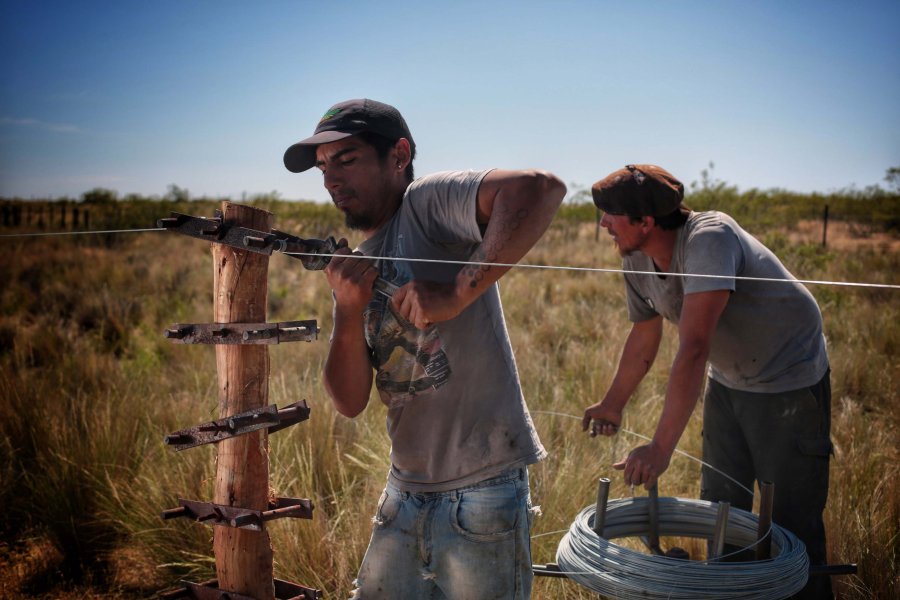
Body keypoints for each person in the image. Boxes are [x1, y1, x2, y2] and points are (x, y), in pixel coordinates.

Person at [284, 98, 566, 599]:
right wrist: (347, 309)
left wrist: (459, 293)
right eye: (323, 167)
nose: (330, 179)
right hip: (404, 490)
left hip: (483, 486)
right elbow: (349, 403)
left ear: (399, 154)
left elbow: (539, 188)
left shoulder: (426, 203)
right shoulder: (360, 261)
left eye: (346, 159)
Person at [581, 164, 833, 599]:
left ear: (646, 221)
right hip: (729, 379)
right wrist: (612, 404)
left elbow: (693, 347)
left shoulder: (709, 239)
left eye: (611, 214)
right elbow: (645, 335)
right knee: (723, 511)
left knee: (791, 524)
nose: (602, 223)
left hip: (787, 378)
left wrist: (661, 448)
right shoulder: (635, 258)